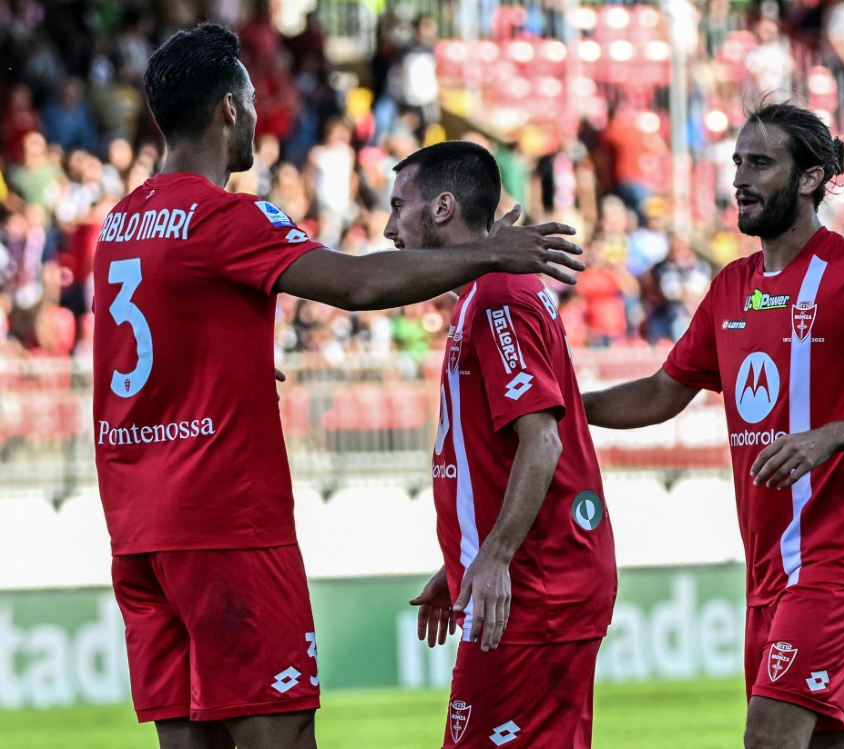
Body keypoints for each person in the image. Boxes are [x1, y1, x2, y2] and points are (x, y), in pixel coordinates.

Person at [91, 24, 584, 749]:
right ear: (229, 109)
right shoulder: (227, 215)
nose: (258, 112)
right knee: (280, 735)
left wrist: (236, 365)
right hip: (225, 522)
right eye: (253, 97)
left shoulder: (120, 225)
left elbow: (147, 357)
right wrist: (488, 252)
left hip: (137, 531)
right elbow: (353, 283)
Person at [582, 102, 844, 749]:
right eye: (737, 164)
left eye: (760, 163)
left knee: (770, 735)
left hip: (842, 558)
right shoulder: (731, 286)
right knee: (828, 739)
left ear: (809, 179)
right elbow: (664, 391)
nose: (740, 180)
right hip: (769, 568)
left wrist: (828, 435)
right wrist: (568, 407)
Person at [390, 141, 616, 749]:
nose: (389, 228)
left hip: (538, 589)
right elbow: (499, 450)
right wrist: (462, 557)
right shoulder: (485, 295)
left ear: (442, 208)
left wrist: (493, 555)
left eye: (398, 207)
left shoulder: (497, 298)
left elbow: (541, 441)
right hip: (533, 580)